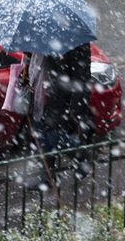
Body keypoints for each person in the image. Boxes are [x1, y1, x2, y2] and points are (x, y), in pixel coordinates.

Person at [26, 42, 93, 186]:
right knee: (43, 137)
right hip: (40, 94)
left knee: (52, 136)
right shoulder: (41, 37)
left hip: (58, 100)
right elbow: (34, 63)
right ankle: (49, 178)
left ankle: (80, 156)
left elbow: (81, 77)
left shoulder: (75, 42)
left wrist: (76, 109)